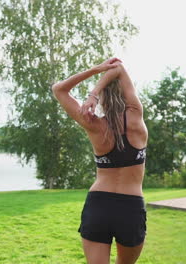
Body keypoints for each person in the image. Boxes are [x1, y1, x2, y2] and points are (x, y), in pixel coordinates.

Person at [51, 57, 148, 264]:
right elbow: (119, 68)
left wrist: (96, 71)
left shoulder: (92, 124)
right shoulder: (135, 117)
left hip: (99, 204)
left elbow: (59, 89)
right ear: (125, 94)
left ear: (103, 98)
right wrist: (97, 87)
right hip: (130, 207)